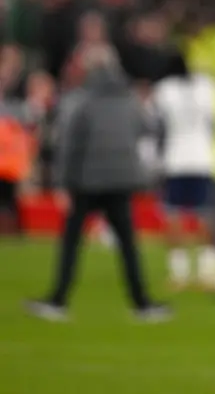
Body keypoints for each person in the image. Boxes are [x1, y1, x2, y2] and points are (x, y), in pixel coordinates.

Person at [24, 45, 170, 322]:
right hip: (121, 180)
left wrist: (61, 183)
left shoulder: (81, 100)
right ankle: (142, 304)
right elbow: (150, 128)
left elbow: (67, 145)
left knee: (71, 242)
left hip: (86, 182)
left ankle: (58, 300)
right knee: (127, 245)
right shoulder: (129, 98)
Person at [154, 53, 215, 291]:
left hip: (175, 159)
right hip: (203, 158)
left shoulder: (163, 90)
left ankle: (179, 272)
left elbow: (159, 126)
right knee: (207, 214)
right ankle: (208, 270)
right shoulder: (206, 86)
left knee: (173, 214)